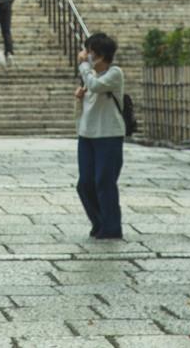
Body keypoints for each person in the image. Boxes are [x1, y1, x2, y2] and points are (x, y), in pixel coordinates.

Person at [75, 31, 126, 240]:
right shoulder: (91, 77)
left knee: (104, 181)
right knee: (85, 183)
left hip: (109, 135)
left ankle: (112, 227)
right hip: (87, 135)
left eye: (90, 52)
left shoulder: (115, 74)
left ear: (101, 55)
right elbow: (85, 109)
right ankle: (99, 222)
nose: (86, 56)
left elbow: (96, 87)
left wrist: (83, 66)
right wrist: (79, 98)